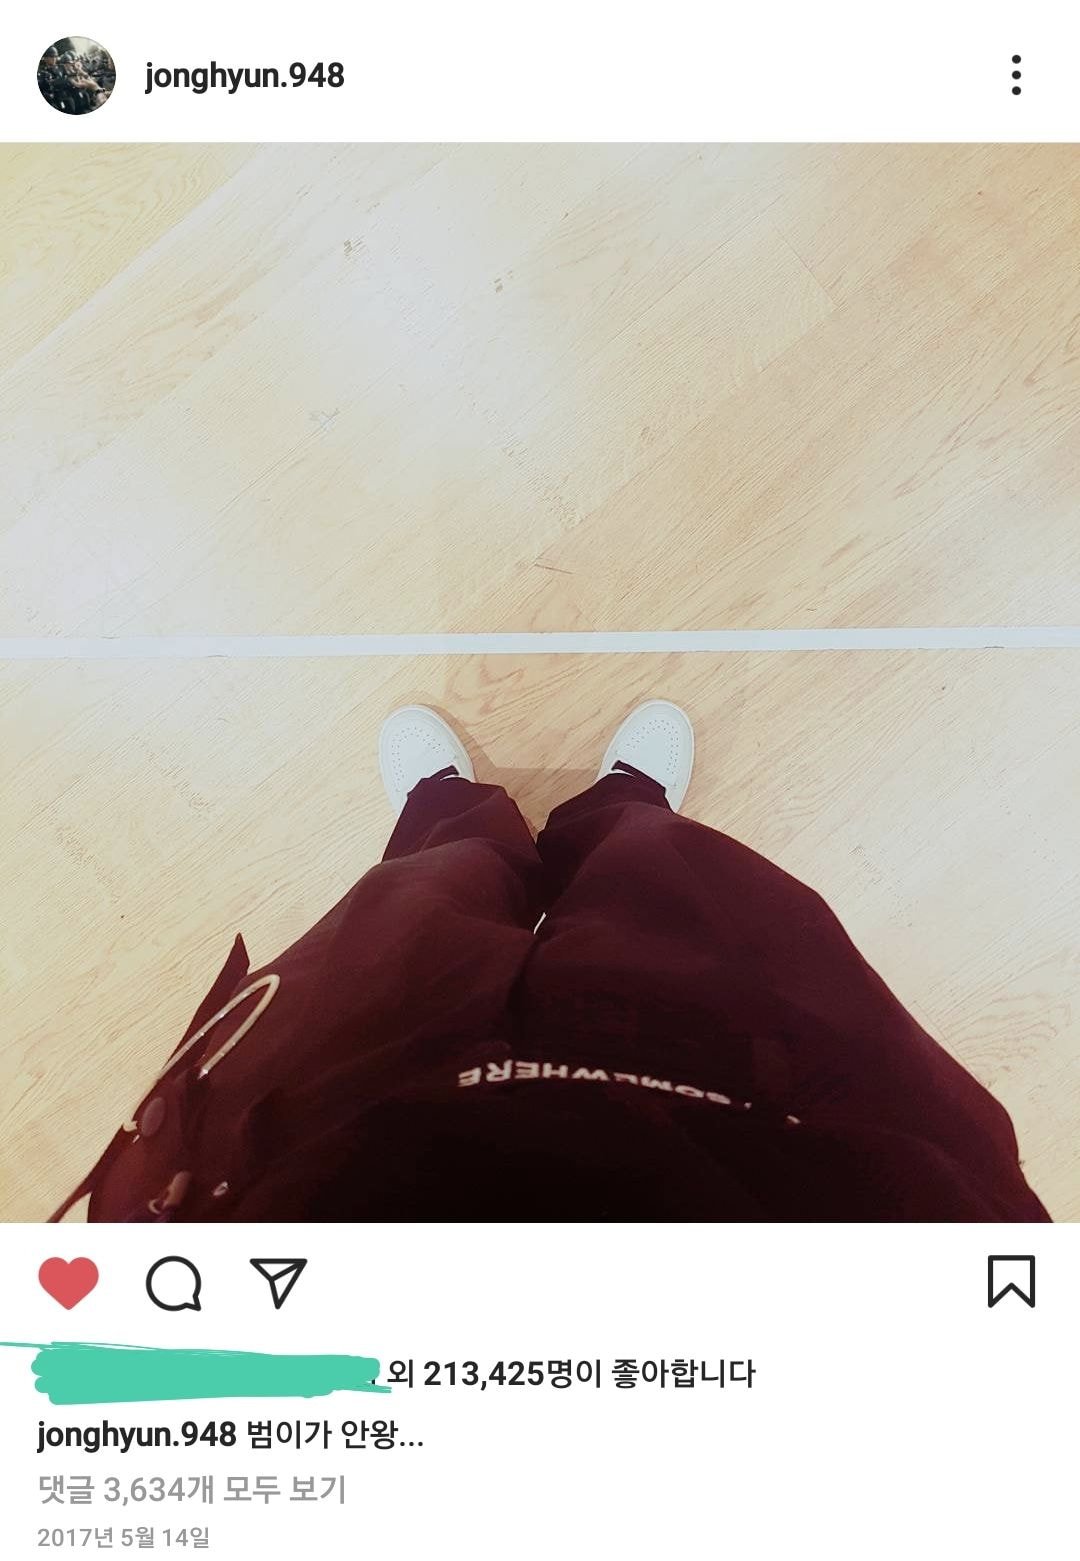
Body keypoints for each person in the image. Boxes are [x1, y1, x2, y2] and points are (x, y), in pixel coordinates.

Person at [52, 701, 1049, 1223]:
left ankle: (453, 816)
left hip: (338, 1182)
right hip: (773, 1177)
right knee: (679, 915)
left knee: (411, 930)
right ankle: (620, 812)